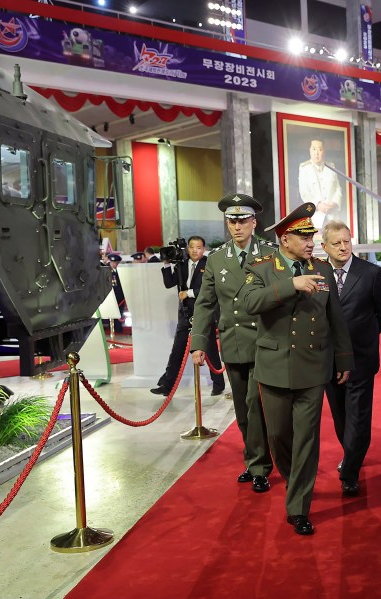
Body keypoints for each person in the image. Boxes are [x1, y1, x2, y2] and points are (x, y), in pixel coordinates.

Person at [241, 202, 354, 536]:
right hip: (273, 367)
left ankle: (298, 506)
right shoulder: (260, 267)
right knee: (279, 437)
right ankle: (296, 481)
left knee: (307, 438)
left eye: (311, 236)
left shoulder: (322, 269)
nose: (309, 242)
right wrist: (291, 285)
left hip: (312, 367)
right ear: (284, 239)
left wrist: (343, 358)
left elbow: (336, 318)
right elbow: (249, 303)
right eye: (302, 236)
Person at [190, 194, 275, 494]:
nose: (237, 226)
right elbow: (204, 304)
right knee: (242, 407)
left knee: (255, 404)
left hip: (263, 340)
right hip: (233, 340)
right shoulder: (216, 259)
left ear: (254, 222)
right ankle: (255, 459)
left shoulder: (269, 253)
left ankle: (260, 466)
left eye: (242, 220)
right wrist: (198, 342)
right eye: (232, 221)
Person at [320, 220, 381, 497]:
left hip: (361, 358)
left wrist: (366, 335)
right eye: (336, 243)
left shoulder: (370, 273)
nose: (343, 247)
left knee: (358, 417)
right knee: (340, 416)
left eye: (346, 241)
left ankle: (350, 471)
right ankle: (351, 455)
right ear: (324, 246)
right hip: (327, 360)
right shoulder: (316, 272)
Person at [151, 236, 225, 397]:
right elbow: (169, 283)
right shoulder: (181, 264)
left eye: (198, 247)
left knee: (211, 350)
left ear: (203, 249)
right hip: (185, 314)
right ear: (187, 248)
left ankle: (218, 384)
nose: (194, 250)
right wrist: (167, 263)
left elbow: (212, 289)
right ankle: (167, 385)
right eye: (191, 247)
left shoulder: (208, 264)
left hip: (204, 314)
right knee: (177, 351)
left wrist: (189, 293)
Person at [297, 138, 343, 230]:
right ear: (309, 151)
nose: (317, 153)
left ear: (324, 151)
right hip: (315, 216)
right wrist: (318, 205)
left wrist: (334, 203)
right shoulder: (304, 168)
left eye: (320, 149)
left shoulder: (331, 167)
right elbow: (304, 192)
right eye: (314, 149)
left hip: (332, 215)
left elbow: (338, 188)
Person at [106, 253, 126, 333]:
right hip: (112, 296)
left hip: (120, 296)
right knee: (112, 313)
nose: (114, 264)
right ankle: (111, 328)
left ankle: (118, 328)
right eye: (113, 262)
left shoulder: (119, 270)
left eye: (116, 262)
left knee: (119, 312)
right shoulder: (106, 270)